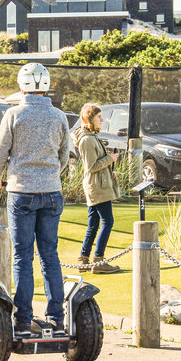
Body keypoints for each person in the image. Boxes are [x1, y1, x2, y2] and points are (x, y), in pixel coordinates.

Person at [0, 63, 70, 335]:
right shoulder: (59, 116)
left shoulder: (13, 114)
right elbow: (65, 156)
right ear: (47, 86)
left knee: (23, 257)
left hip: (21, 192)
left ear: (22, 86)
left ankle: (23, 319)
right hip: (51, 191)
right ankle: (56, 317)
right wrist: (52, 174)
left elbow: (0, 152)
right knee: (50, 255)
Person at [72, 103, 122, 274]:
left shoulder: (91, 136)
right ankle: (98, 261)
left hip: (98, 184)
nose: (102, 120)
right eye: (99, 117)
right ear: (90, 119)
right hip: (97, 187)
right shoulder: (87, 140)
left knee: (93, 223)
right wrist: (110, 158)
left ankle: (83, 260)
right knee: (108, 222)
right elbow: (91, 167)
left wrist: (110, 170)